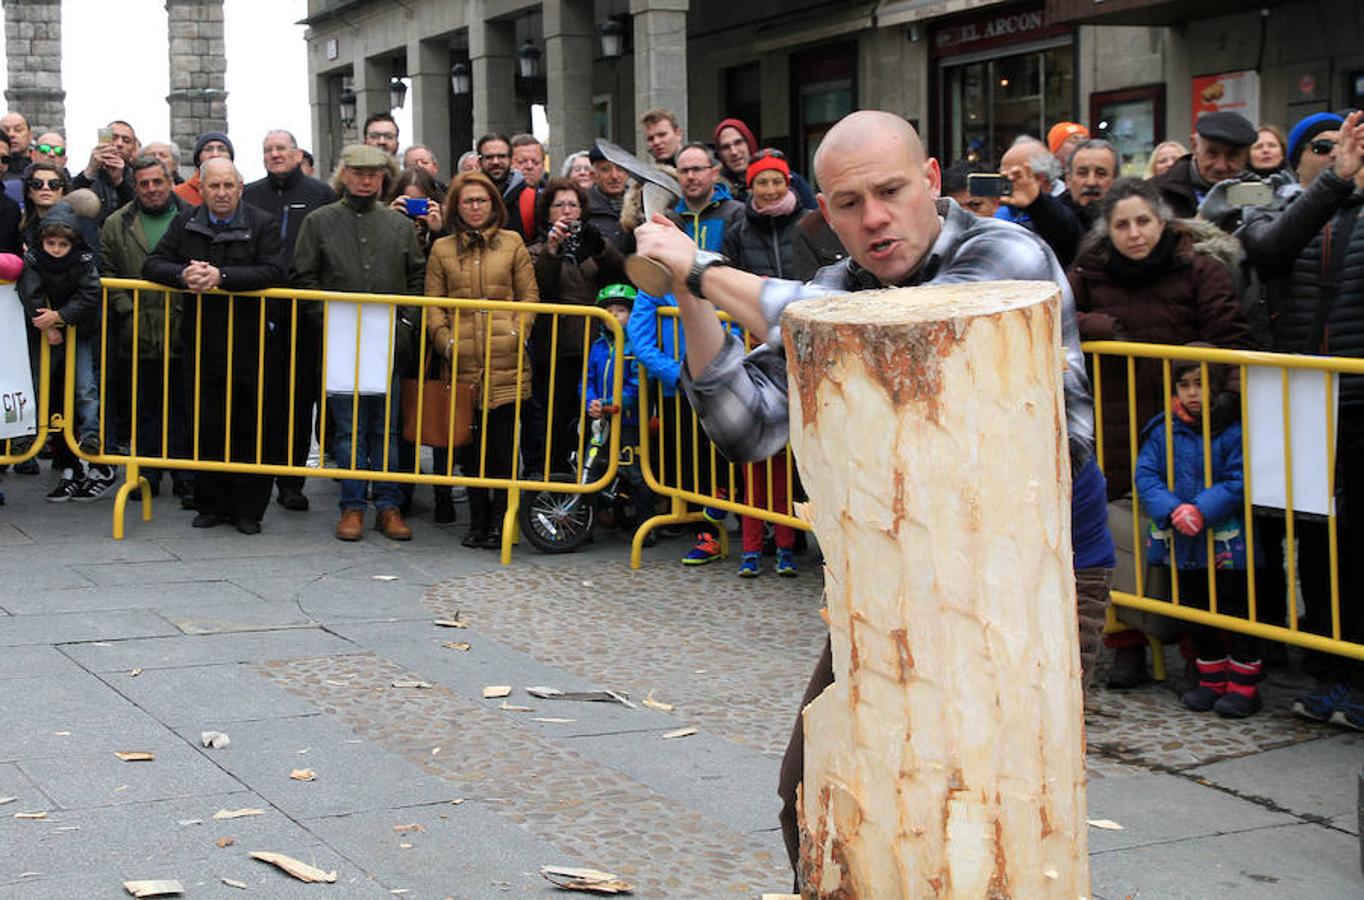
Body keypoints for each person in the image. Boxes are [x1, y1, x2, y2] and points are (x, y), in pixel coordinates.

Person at [633, 110, 1116, 881]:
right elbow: (746, 427)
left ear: (931, 182)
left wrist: (702, 268)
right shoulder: (832, 291)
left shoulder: (1005, 251)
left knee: (985, 822)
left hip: (1028, 582)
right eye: (849, 204)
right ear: (826, 212)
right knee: (819, 798)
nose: (875, 219)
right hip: (893, 580)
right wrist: (686, 295)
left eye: (890, 191)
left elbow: (890, 336)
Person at [1239, 109, 1364, 729]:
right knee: (1316, 545)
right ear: (1298, 160)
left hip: (1359, 404)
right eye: (1323, 145)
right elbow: (1267, 250)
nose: (1339, 151)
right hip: (1308, 403)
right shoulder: (1274, 209)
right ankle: (1328, 674)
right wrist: (1334, 184)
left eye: (1349, 141)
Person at [142, 157, 285, 535]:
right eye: (214, 187)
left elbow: (274, 271)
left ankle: (248, 510)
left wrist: (222, 277)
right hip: (202, 340)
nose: (222, 194)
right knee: (205, 424)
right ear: (201, 189)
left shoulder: (262, 223)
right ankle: (211, 504)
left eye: (228, 186)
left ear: (240, 187)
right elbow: (152, 264)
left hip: (251, 341)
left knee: (249, 425)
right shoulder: (186, 221)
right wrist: (183, 274)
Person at [291, 143, 424, 542]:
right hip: (342, 343)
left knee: (387, 429)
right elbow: (303, 278)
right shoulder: (318, 222)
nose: (366, 180)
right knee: (349, 431)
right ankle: (351, 505)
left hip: (388, 343)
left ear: (384, 177)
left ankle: (388, 505)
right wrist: (329, 321)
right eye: (359, 173)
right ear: (344, 175)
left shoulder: (400, 226)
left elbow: (417, 278)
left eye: (374, 174)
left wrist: (404, 325)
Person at [1134, 353, 1262, 717]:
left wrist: (1203, 509)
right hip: (1185, 539)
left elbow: (1240, 479)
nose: (1192, 393)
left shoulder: (1233, 430)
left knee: (1237, 609)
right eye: (1184, 384)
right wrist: (1172, 509)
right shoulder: (1163, 429)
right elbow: (1146, 474)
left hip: (1228, 541)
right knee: (1195, 609)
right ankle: (1211, 679)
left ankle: (1244, 684)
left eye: (1200, 383)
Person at [425, 170, 539, 549]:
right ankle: (477, 522)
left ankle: (502, 523)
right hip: (462, 362)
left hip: (506, 361)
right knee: (470, 449)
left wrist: (516, 333)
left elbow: (529, 298)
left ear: (493, 203)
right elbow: (434, 307)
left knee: (504, 446)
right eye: (467, 200)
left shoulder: (513, 243)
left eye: (482, 200)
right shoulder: (442, 249)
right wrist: (447, 343)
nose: (475, 207)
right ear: (456, 206)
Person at [720, 148, 810, 578]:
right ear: (750, 186)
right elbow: (728, 280)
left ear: (788, 183)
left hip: (805, 338)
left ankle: (791, 538)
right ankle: (754, 542)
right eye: (762, 182)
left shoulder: (807, 220)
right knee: (757, 447)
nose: (771, 189)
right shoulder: (738, 227)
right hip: (758, 338)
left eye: (777, 181)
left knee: (797, 452)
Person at [243, 129, 339, 513]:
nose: (274, 154)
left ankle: (291, 481)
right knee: (264, 398)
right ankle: (259, 475)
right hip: (261, 308)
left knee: (300, 400)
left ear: (297, 153)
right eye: (267, 149)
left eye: (281, 148)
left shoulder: (321, 195)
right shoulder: (250, 194)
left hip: (305, 311)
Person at [101, 155, 194, 501]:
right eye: (144, 184)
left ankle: (186, 475)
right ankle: (148, 475)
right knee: (145, 406)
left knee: (185, 406)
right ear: (134, 186)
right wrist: (126, 310)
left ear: (170, 181)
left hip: (183, 326)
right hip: (137, 329)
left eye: (158, 182)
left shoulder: (192, 217)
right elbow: (107, 270)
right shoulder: (116, 223)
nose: (152, 189)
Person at [527, 177, 625, 477]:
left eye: (573, 204)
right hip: (558, 349)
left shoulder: (594, 244)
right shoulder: (537, 250)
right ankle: (556, 480)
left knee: (599, 422)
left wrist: (599, 248)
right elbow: (542, 288)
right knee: (558, 422)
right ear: (548, 213)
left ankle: (599, 485)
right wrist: (552, 251)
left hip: (598, 346)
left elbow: (619, 275)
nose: (566, 211)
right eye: (559, 205)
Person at [18, 201, 114, 502]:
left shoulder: (84, 259)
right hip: (46, 330)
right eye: (51, 243)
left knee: (85, 384)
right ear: (42, 240)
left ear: (73, 242)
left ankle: (90, 434)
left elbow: (90, 293)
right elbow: (29, 291)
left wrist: (59, 317)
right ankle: (27, 435)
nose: (56, 249)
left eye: (62, 244)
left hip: (79, 329)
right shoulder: (34, 258)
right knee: (37, 382)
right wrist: (46, 324)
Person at [585, 283, 654, 542]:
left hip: (629, 422)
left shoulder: (636, 346)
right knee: (592, 468)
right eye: (609, 310)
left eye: (620, 310)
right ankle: (589, 522)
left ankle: (645, 525)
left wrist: (613, 403)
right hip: (601, 420)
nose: (613, 315)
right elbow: (587, 379)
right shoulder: (599, 345)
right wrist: (591, 402)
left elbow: (637, 386)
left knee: (636, 473)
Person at [996, 136, 1084, 267]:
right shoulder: (999, 211)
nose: (1005, 185)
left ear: (1039, 178)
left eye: (1015, 177)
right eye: (1001, 176)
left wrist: (1037, 203)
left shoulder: (1070, 208)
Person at [1152, 111, 1257, 219]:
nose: (1220, 166)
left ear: (1246, 156)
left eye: (1233, 156)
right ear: (1194, 145)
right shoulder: (1153, 194)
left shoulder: (1256, 194)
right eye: (1212, 153)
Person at [712, 117, 817, 210]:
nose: (734, 152)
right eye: (725, 147)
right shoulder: (719, 193)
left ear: (749, 143)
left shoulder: (792, 181)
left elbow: (817, 220)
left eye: (738, 143)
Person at [672, 143, 744, 252]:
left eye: (697, 169)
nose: (690, 176)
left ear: (714, 173)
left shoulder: (737, 213)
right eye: (684, 171)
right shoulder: (671, 219)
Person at [73, 119, 139, 223]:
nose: (119, 144)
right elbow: (68, 203)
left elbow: (137, 211)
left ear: (133, 149)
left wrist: (119, 182)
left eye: (126, 140)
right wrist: (90, 171)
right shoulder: (89, 174)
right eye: (114, 138)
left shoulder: (138, 177)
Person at [476, 132, 534, 241]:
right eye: (489, 157)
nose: (496, 162)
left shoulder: (531, 198)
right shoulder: (466, 198)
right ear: (479, 162)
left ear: (511, 159)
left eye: (501, 156)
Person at [1065, 138, 1120, 227]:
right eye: (1082, 173)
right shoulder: (1048, 221)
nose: (1091, 182)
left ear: (1116, 180)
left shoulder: (1129, 222)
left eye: (1101, 174)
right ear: (1068, 180)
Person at [173, 131, 233, 207]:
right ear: (198, 158)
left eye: (222, 149)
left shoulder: (242, 193)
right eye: (208, 149)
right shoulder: (178, 194)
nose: (215, 154)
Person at [586, 144, 628, 250]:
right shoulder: (582, 208)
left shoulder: (642, 205)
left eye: (620, 169)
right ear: (593, 176)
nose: (614, 176)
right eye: (605, 169)